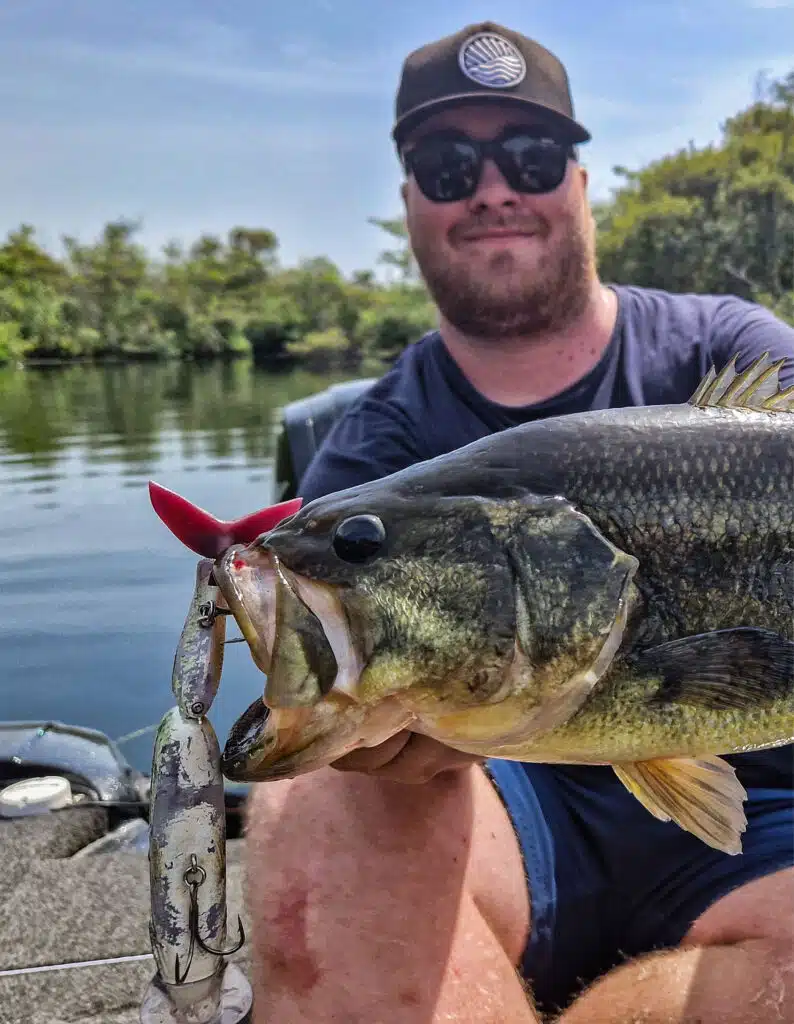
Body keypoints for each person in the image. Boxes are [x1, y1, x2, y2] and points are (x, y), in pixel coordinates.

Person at [244, 21, 794, 1023]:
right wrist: (360, 732)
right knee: (320, 804)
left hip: (766, 814)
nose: (493, 189)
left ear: (577, 184)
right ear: (410, 201)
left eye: (529, 157)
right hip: (505, 806)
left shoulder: (733, 351)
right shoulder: (372, 451)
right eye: (447, 165)